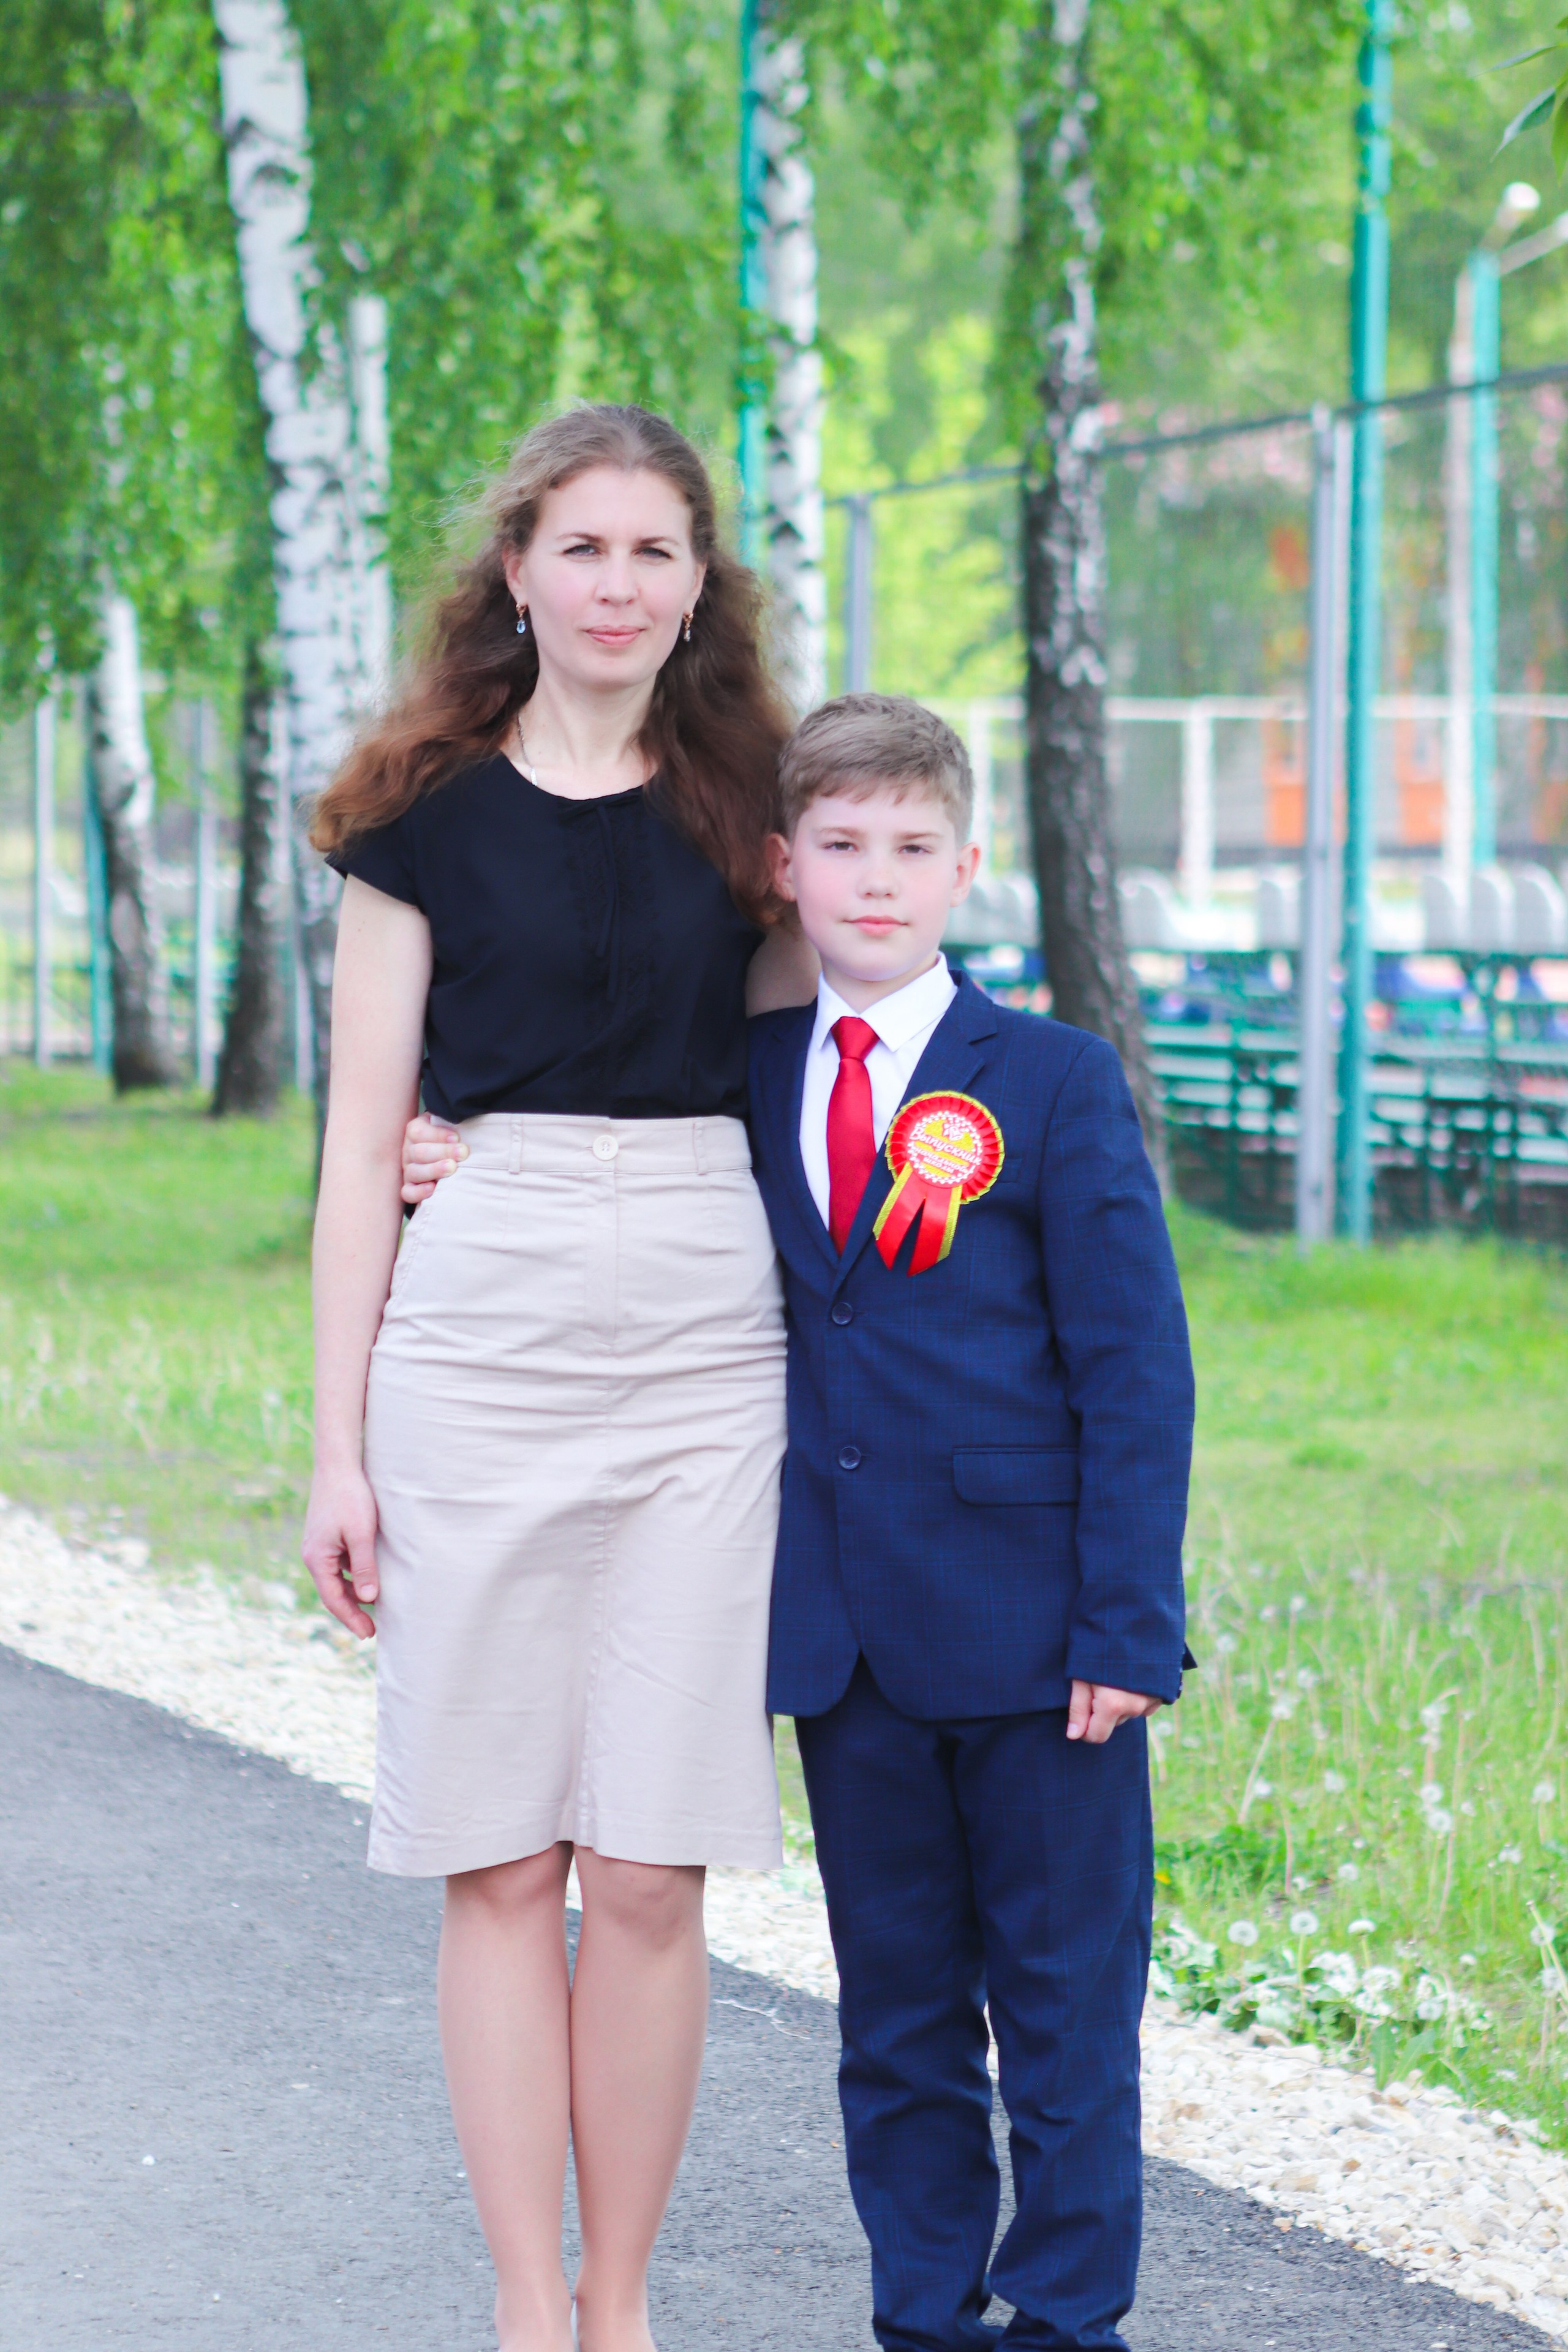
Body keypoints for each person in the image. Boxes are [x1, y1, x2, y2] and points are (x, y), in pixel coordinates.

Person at [409, 690, 1195, 2351]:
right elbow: (618, 1175)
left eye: (913, 847)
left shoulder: (1052, 1082)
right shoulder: (745, 1080)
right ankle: (923, 2316)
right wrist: (455, 1151)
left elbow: (1137, 1369)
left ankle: (1065, 2322)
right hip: (845, 1647)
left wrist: (1128, 1622)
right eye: (841, 845)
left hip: (1043, 1641)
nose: (877, 878)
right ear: (783, 867)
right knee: (897, 2025)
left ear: (966, 867)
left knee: (1065, 2017)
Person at [303, 402, 815, 2352]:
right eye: (581, 546)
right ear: (515, 569)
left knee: (657, 1863)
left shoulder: (754, 807)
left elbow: (808, 1090)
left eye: (654, 550)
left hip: (705, 1344)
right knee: (503, 1856)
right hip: (480, 1341)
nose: (618, 583)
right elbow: (362, 1146)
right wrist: (338, 1449)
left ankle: (624, 2303)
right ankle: (531, 2308)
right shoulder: (414, 819)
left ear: (698, 587)